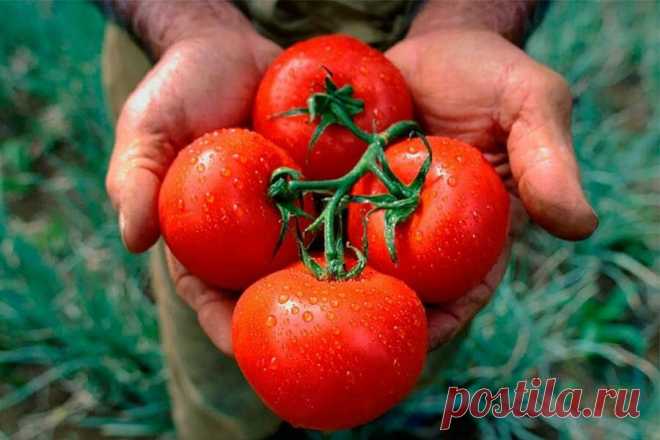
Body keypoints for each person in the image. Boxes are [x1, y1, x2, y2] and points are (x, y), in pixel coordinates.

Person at [98, 1, 598, 438]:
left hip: (438, 60)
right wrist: (189, 22)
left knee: (419, 351)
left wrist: (470, 17)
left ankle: (397, 411)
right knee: (214, 375)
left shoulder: (411, 185)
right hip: (187, 57)